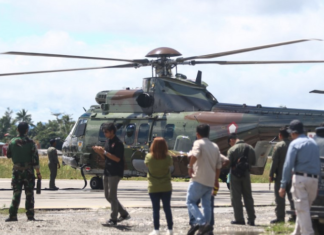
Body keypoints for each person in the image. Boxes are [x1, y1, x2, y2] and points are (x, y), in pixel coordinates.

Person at [279, 120, 321, 235]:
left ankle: (308, 233)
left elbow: (288, 165)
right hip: (314, 180)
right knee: (303, 210)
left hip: (301, 179)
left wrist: (283, 185)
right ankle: (296, 233)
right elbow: (318, 164)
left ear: (293, 133)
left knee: (302, 210)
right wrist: (319, 183)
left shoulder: (295, 144)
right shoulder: (313, 143)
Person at [186, 124, 222, 235]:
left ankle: (202, 223)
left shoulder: (198, 143)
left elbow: (195, 155)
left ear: (197, 134)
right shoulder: (215, 146)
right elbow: (218, 165)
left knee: (190, 201)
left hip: (199, 178)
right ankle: (208, 229)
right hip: (210, 180)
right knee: (207, 205)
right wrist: (216, 180)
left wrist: (190, 167)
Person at [92, 123, 130, 226]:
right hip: (107, 170)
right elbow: (106, 157)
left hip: (115, 171)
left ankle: (113, 219)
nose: (104, 133)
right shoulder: (107, 142)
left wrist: (104, 152)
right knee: (107, 196)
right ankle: (124, 213)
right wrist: (99, 152)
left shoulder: (118, 143)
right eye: (104, 131)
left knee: (112, 196)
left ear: (112, 131)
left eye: (106, 131)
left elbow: (117, 159)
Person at [5, 122, 42, 222]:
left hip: (16, 171)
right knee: (29, 194)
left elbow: (8, 155)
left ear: (17, 130)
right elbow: (35, 160)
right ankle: (30, 215)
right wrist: (38, 173)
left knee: (16, 193)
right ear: (27, 130)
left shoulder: (12, 142)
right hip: (28, 171)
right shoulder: (31, 143)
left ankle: (13, 215)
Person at [188, 154, 229, 235]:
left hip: (198, 180)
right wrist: (218, 167)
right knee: (209, 205)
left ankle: (195, 223)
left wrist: (191, 166)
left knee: (192, 203)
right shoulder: (214, 152)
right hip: (210, 180)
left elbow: (189, 156)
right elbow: (227, 160)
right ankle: (209, 226)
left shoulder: (198, 149)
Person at [145, 137, 173, 235]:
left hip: (153, 186)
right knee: (167, 208)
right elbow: (170, 165)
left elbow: (147, 165)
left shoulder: (149, 157)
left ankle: (156, 230)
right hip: (166, 186)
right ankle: (170, 229)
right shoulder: (168, 158)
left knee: (155, 209)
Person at [227, 133, 256, 226]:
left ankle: (239, 219)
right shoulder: (250, 148)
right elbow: (254, 161)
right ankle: (251, 219)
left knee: (236, 198)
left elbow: (228, 163)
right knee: (248, 196)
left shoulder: (232, 149)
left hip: (235, 175)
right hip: (246, 174)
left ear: (232, 139)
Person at [269, 126, 295, 223]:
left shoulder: (279, 146)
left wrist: (271, 174)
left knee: (280, 197)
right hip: (293, 175)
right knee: (292, 197)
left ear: (280, 135)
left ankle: (280, 217)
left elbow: (275, 162)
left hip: (280, 175)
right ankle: (294, 216)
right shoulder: (293, 144)